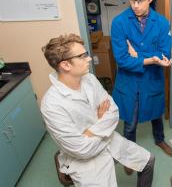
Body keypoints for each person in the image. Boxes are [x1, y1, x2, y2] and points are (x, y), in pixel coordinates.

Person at [40, 34, 154, 187]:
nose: (89, 58)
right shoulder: (52, 105)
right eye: (82, 56)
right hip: (84, 161)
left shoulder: (89, 79)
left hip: (108, 141)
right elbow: (82, 150)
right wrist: (101, 121)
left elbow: (113, 112)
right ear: (66, 65)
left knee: (149, 161)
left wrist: (89, 132)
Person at [111, 0, 172, 164]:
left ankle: (160, 140)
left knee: (156, 115)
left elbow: (164, 54)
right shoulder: (119, 23)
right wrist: (149, 59)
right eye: (132, 0)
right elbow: (122, 60)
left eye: (140, 0)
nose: (135, 5)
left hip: (152, 81)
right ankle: (129, 154)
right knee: (130, 122)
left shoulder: (162, 23)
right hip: (129, 82)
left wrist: (137, 55)